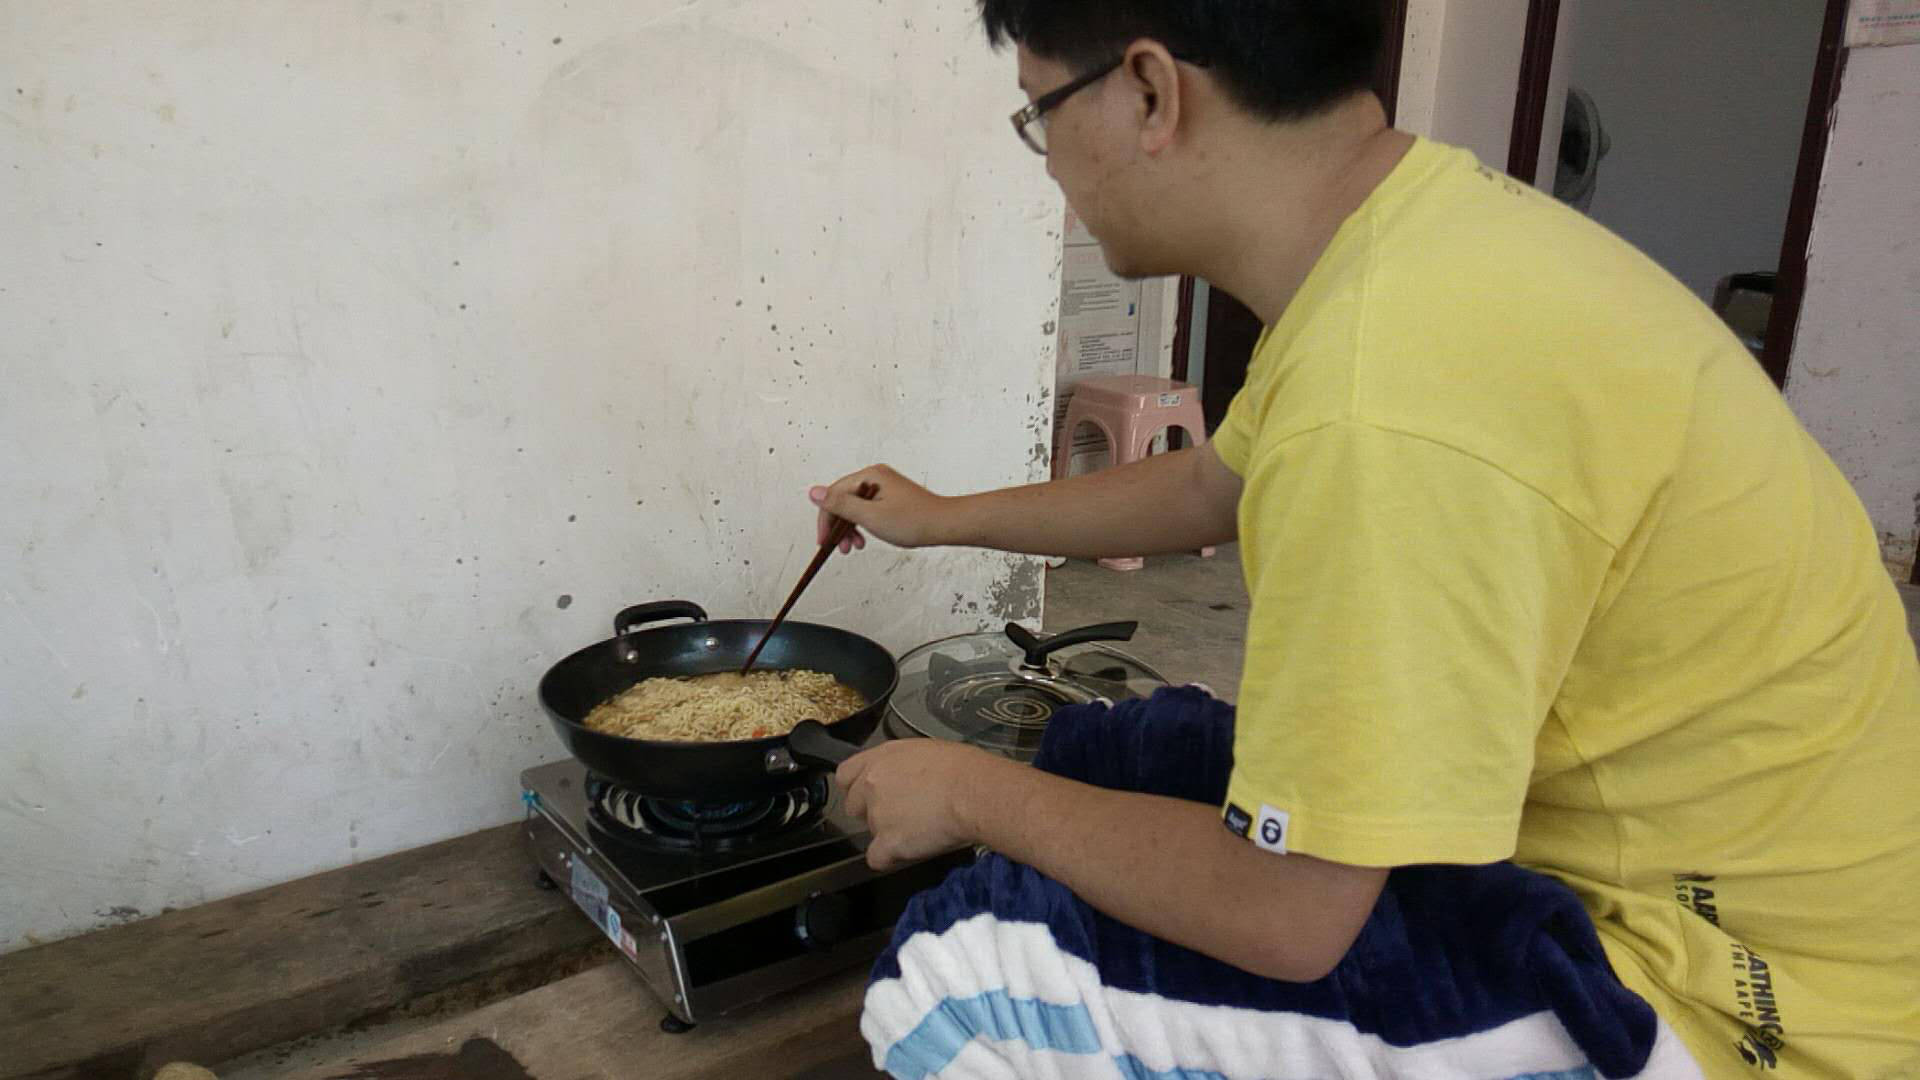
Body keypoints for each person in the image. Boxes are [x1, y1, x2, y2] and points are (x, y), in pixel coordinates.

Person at [810, 2, 1920, 1076]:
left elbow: (1287, 917)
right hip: (1678, 865)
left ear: (1150, 91)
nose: (1047, 158)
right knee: (1120, 756)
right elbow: (1207, 483)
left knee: (956, 978)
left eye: (1041, 112)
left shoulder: (1380, 394)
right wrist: (941, 517)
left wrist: (970, 793)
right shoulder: (1412, 240)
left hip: (1731, 1002)